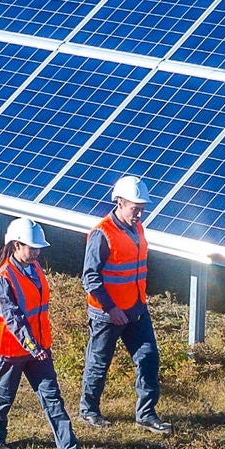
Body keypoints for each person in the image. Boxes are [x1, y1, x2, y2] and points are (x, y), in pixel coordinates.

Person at [0, 216, 94, 449]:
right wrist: (33, 346)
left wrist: (38, 347)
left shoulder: (34, 268)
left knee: (52, 397)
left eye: (38, 248)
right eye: (32, 248)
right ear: (16, 246)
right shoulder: (4, 278)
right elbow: (12, 318)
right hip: (12, 351)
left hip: (39, 349)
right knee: (3, 397)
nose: (36, 252)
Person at [78, 175, 170, 434]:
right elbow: (91, 278)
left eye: (142, 209)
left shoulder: (137, 227)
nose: (139, 214)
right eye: (135, 208)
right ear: (119, 202)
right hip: (108, 315)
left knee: (148, 358)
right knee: (99, 362)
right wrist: (111, 309)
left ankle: (146, 414)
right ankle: (89, 410)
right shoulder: (102, 234)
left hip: (136, 308)